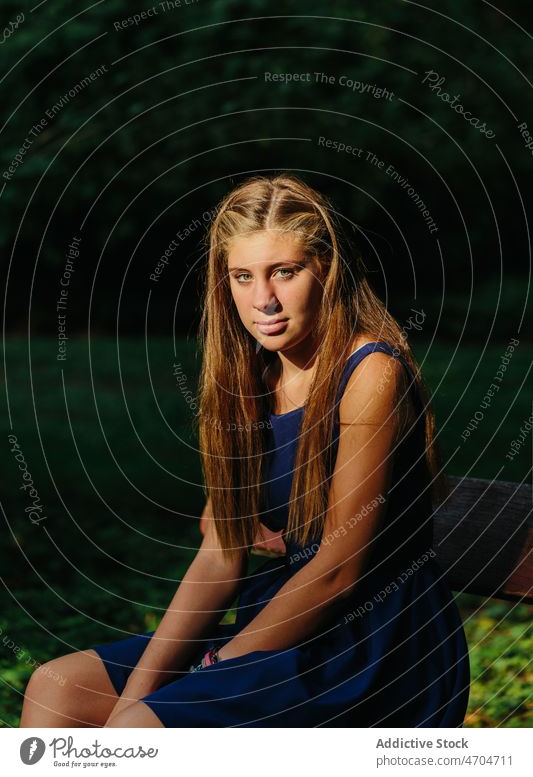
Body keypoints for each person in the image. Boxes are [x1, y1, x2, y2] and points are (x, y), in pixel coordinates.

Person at [20, 173, 470, 728]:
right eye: (243, 276)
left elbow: (338, 571)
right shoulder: (247, 381)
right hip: (270, 633)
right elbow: (221, 554)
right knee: (55, 690)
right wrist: (137, 696)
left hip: (367, 654)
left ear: (326, 269)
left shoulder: (370, 373)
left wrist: (212, 672)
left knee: (140, 731)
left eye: (285, 271)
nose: (264, 299)